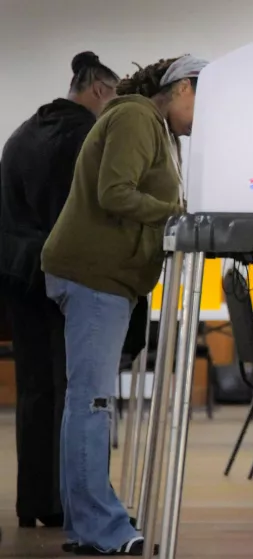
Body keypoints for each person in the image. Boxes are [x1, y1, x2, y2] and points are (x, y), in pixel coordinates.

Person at [40, 54, 207, 556]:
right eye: (204, 100)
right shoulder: (136, 116)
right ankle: (102, 529)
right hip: (96, 275)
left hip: (101, 276)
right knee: (92, 404)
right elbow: (115, 193)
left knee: (83, 402)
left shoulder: (152, 126)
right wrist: (179, 213)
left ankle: (84, 523)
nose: (207, 116)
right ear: (180, 89)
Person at [0, 51, 119, 530]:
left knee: (35, 391)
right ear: (98, 91)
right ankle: (69, 502)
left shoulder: (25, 131)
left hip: (16, 278)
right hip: (59, 278)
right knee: (73, 392)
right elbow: (77, 218)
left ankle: (35, 501)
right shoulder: (81, 138)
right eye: (114, 99)